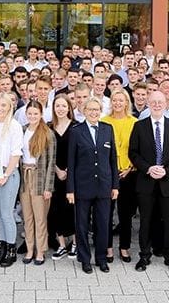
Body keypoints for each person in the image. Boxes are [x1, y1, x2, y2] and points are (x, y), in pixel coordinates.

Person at [128, 91, 169, 273]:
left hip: (168, 182)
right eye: (153, 102)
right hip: (146, 182)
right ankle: (144, 256)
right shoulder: (139, 126)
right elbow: (133, 153)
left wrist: (166, 170)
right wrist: (148, 168)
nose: (157, 104)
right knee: (145, 221)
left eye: (160, 101)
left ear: (166, 103)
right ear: (148, 103)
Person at [66, 98, 119, 274]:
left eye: (97, 109)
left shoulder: (107, 129)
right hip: (82, 187)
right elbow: (71, 163)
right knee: (81, 225)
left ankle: (102, 259)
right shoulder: (76, 132)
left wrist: (115, 186)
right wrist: (70, 190)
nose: (94, 112)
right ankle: (85, 259)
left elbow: (113, 160)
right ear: (84, 110)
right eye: (90, 109)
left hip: (104, 186)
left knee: (103, 225)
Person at [0, 93, 24, 268]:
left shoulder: (14, 126)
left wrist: (5, 175)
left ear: (10, 107)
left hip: (8, 174)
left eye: (4, 105)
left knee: (7, 213)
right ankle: (1, 247)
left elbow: (16, 154)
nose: (0, 109)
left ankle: (11, 249)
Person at [101, 89, 137, 262]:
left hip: (128, 173)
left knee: (125, 214)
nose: (117, 103)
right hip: (108, 173)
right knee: (107, 212)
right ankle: (108, 248)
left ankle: (124, 247)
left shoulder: (134, 122)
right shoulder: (103, 122)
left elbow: (138, 148)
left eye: (120, 100)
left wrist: (130, 168)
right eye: (114, 100)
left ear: (126, 103)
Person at [18, 101, 57, 265]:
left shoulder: (48, 134)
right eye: (30, 113)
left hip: (39, 177)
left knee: (40, 217)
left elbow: (51, 162)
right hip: (25, 177)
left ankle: (40, 251)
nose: (32, 116)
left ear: (41, 114)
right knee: (27, 216)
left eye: (36, 113)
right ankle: (29, 249)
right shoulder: (22, 130)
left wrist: (48, 187)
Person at [48, 94, 77, 259]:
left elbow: (80, 153)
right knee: (56, 209)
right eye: (57, 106)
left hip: (72, 175)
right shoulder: (48, 127)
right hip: (54, 175)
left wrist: (68, 170)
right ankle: (61, 245)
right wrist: (57, 170)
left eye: (63, 106)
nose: (60, 109)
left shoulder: (76, 127)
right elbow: (45, 153)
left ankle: (75, 243)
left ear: (69, 108)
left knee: (72, 209)